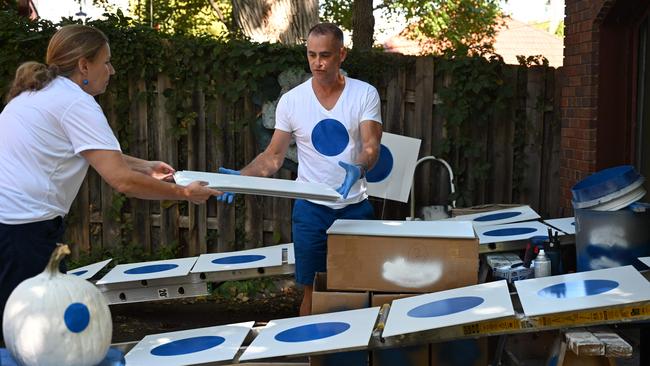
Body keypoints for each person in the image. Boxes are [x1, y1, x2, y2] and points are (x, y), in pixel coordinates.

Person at [0, 24, 222, 342]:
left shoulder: (39, 93)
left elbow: (91, 153)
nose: (112, 70)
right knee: (35, 339)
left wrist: (144, 166)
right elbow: (120, 181)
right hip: (23, 232)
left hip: (14, 228)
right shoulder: (76, 103)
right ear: (83, 65)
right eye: (106, 61)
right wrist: (184, 192)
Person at [218, 23, 382, 316]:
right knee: (311, 291)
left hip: (355, 205)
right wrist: (242, 180)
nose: (317, 63)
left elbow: (371, 145)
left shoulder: (364, 93)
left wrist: (358, 168)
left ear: (341, 55)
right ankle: (311, 360)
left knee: (357, 291)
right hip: (310, 208)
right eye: (311, 54)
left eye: (325, 55)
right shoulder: (292, 101)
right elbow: (273, 157)